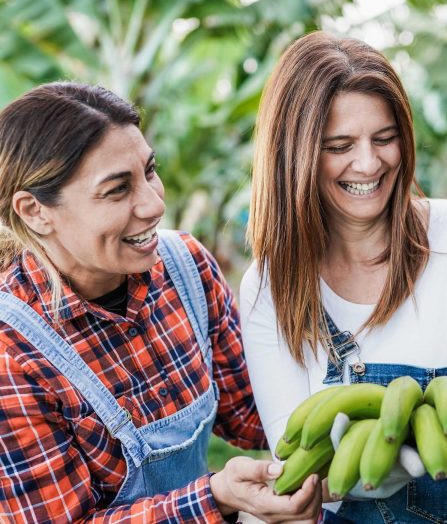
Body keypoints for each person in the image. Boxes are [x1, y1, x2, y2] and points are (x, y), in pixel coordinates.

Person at [241, 31, 447, 523]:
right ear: (294, 155)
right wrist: (356, 479)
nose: (368, 163)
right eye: (339, 145)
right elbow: (295, 457)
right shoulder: (271, 286)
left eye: (384, 138)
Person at [0, 82, 321, 522]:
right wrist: (217, 497)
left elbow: (250, 414)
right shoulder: (12, 353)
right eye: (117, 190)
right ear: (35, 211)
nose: (153, 205)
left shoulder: (185, 268)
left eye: (149, 171)